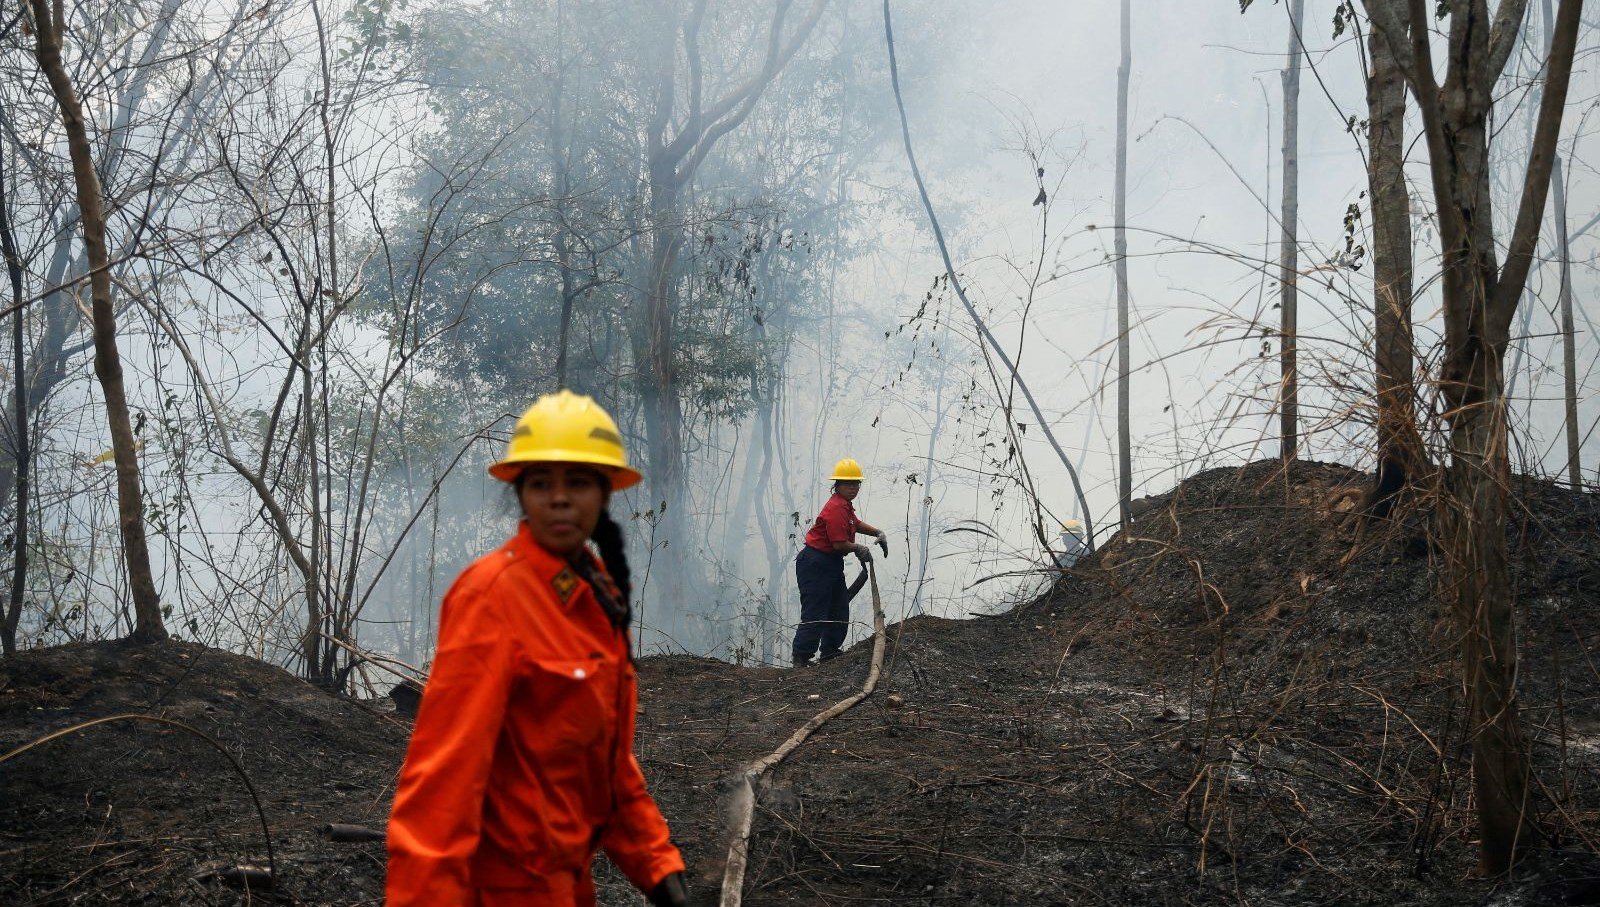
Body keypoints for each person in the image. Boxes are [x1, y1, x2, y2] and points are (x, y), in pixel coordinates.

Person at [386, 391, 688, 907]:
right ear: (521, 494)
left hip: (568, 887)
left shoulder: (596, 597)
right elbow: (441, 786)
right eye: (542, 483)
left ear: (605, 493)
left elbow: (605, 761)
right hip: (503, 889)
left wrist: (658, 867)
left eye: (578, 482)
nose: (560, 498)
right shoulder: (492, 596)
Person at [792, 457, 888, 667]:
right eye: (848, 484)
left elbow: (855, 523)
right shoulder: (836, 507)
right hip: (816, 563)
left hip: (830, 563)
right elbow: (838, 544)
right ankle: (801, 657)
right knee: (816, 611)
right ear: (837, 485)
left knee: (838, 607)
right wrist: (858, 548)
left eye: (856, 484)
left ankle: (829, 652)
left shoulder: (844, 505)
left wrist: (876, 532)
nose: (853, 488)